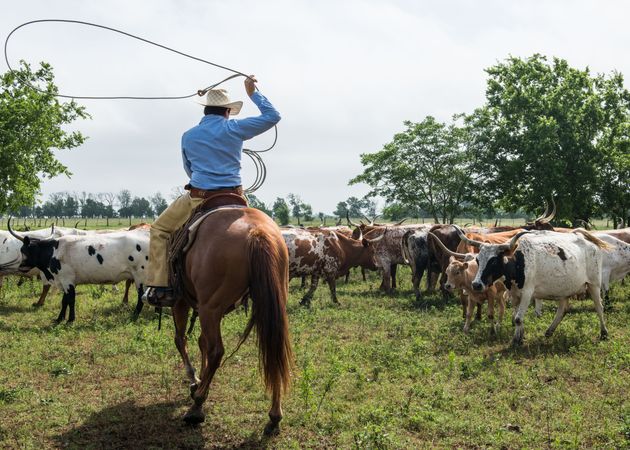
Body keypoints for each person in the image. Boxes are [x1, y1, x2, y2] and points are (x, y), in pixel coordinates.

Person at [143, 75, 281, 307]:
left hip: (199, 196)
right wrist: (252, 93)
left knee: (159, 230)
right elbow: (273, 116)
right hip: (235, 196)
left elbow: (189, 169)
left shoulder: (188, 136)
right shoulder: (235, 128)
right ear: (227, 111)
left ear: (205, 111)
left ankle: (160, 286)